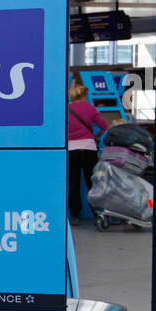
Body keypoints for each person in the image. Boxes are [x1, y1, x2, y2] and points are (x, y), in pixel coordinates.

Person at [67, 83, 111, 226]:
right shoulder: (91, 108)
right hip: (89, 149)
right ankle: (97, 212)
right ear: (84, 96)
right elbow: (104, 126)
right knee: (92, 182)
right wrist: (95, 134)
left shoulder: (66, 109)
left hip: (71, 150)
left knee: (74, 184)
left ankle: (74, 216)